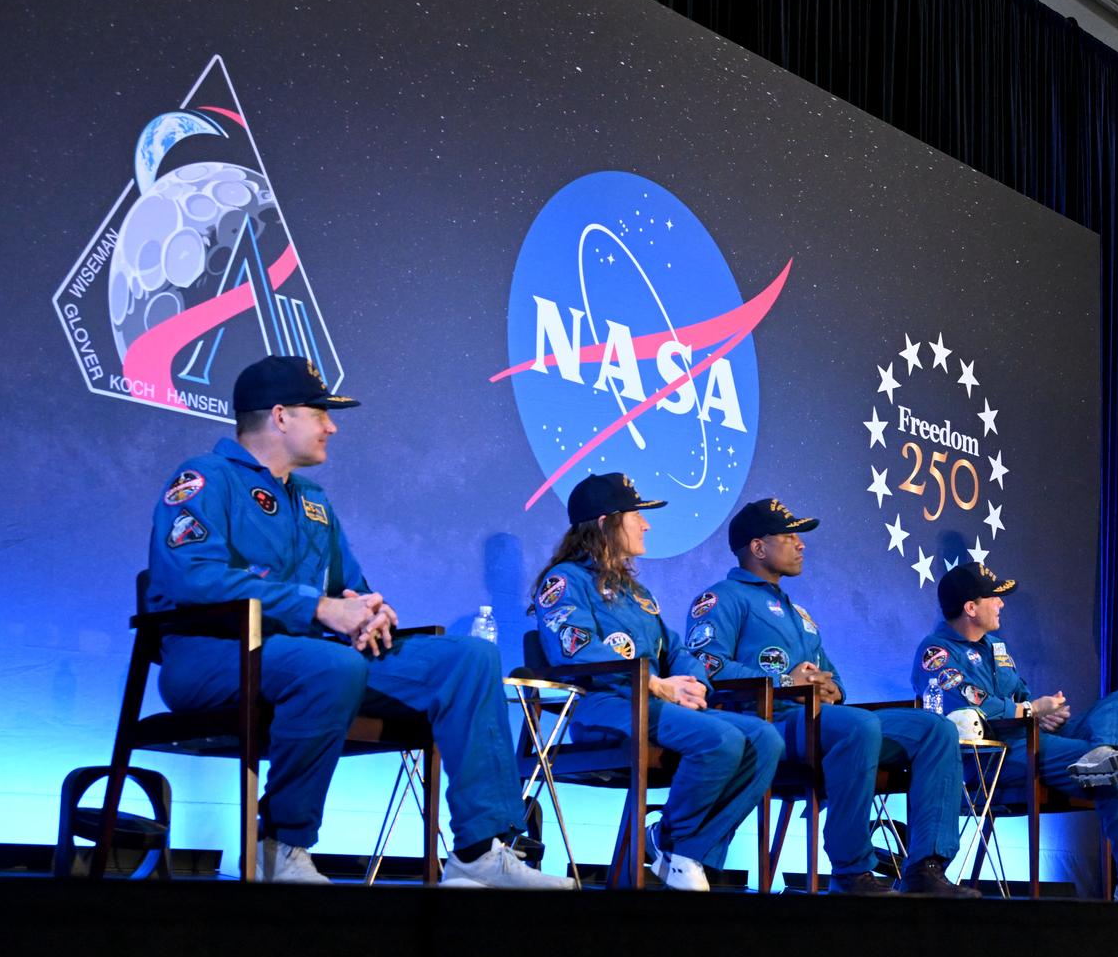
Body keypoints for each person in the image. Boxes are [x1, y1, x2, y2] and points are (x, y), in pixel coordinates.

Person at [147, 356, 565, 887]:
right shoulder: (206, 479)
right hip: (213, 656)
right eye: (320, 412)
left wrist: (371, 611)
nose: (332, 425)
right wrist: (319, 608)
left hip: (312, 659)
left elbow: (350, 586)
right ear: (280, 416)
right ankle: (280, 844)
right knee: (330, 665)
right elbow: (191, 578)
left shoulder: (313, 501)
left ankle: (480, 850)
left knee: (470, 658)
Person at [685, 498, 976, 898]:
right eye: (788, 536)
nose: (800, 544)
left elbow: (832, 677)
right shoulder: (722, 598)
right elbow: (706, 666)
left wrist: (831, 687)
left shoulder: (797, 612)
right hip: (767, 724)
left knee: (936, 729)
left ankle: (926, 866)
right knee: (858, 725)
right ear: (757, 547)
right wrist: (785, 679)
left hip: (820, 720)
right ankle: (851, 869)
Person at [531, 473, 781, 892]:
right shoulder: (565, 581)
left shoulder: (636, 592)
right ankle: (676, 844)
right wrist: (657, 685)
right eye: (637, 516)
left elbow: (676, 648)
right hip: (606, 707)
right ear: (607, 521)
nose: (646, 525)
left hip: (652, 705)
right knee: (720, 739)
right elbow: (573, 649)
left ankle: (681, 848)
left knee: (766, 739)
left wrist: (693, 681)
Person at [912, 562, 1118, 903]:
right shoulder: (936, 652)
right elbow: (968, 711)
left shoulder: (995, 646)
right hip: (992, 755)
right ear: (970, 608)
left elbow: (1020, 696)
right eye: (994, 598)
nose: (1002, 604)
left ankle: (1104, 750)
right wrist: (1031, 712)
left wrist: (1044, 715)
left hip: (1029, 737)